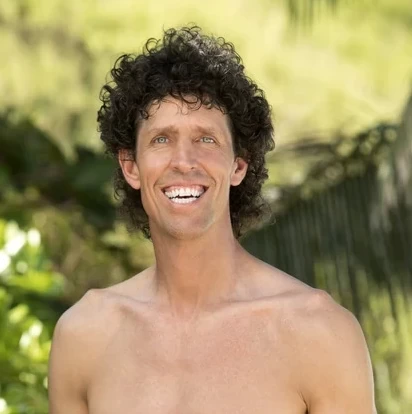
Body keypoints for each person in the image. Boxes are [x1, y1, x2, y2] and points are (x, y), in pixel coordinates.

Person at [48, 26, 377, 413]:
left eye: (206, 139)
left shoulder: (318, 333)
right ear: (131, 166)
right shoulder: (85, 336)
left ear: (238, 165)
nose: (184, 161)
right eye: (161, 139)